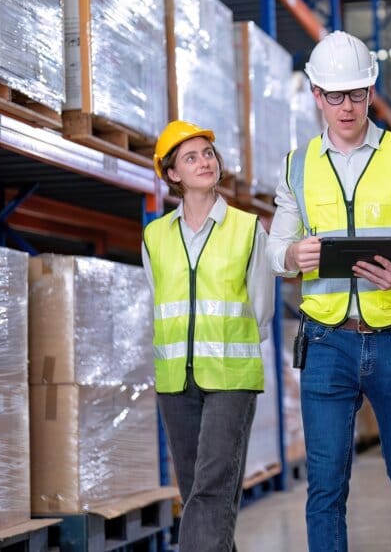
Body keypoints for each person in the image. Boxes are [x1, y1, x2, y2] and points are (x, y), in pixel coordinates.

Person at [267, 30, 391, 552]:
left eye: (356, 94)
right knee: (325, 487)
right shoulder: (295, 166)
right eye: (333, 95)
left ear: (371, 91)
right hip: (327, 343)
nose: (346, 107)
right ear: (315, 95)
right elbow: (275, 246)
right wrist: (290, 256)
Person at [142, 120, 273, 552]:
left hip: (231, 378)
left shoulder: (248, 229)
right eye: (191, 156)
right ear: (173, 174)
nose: (205, 162)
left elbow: (262, 307)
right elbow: (158, 298)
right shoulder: (154, 236)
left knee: (211, 489)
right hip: (176, 381)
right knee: (200, 492)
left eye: (209, 154)